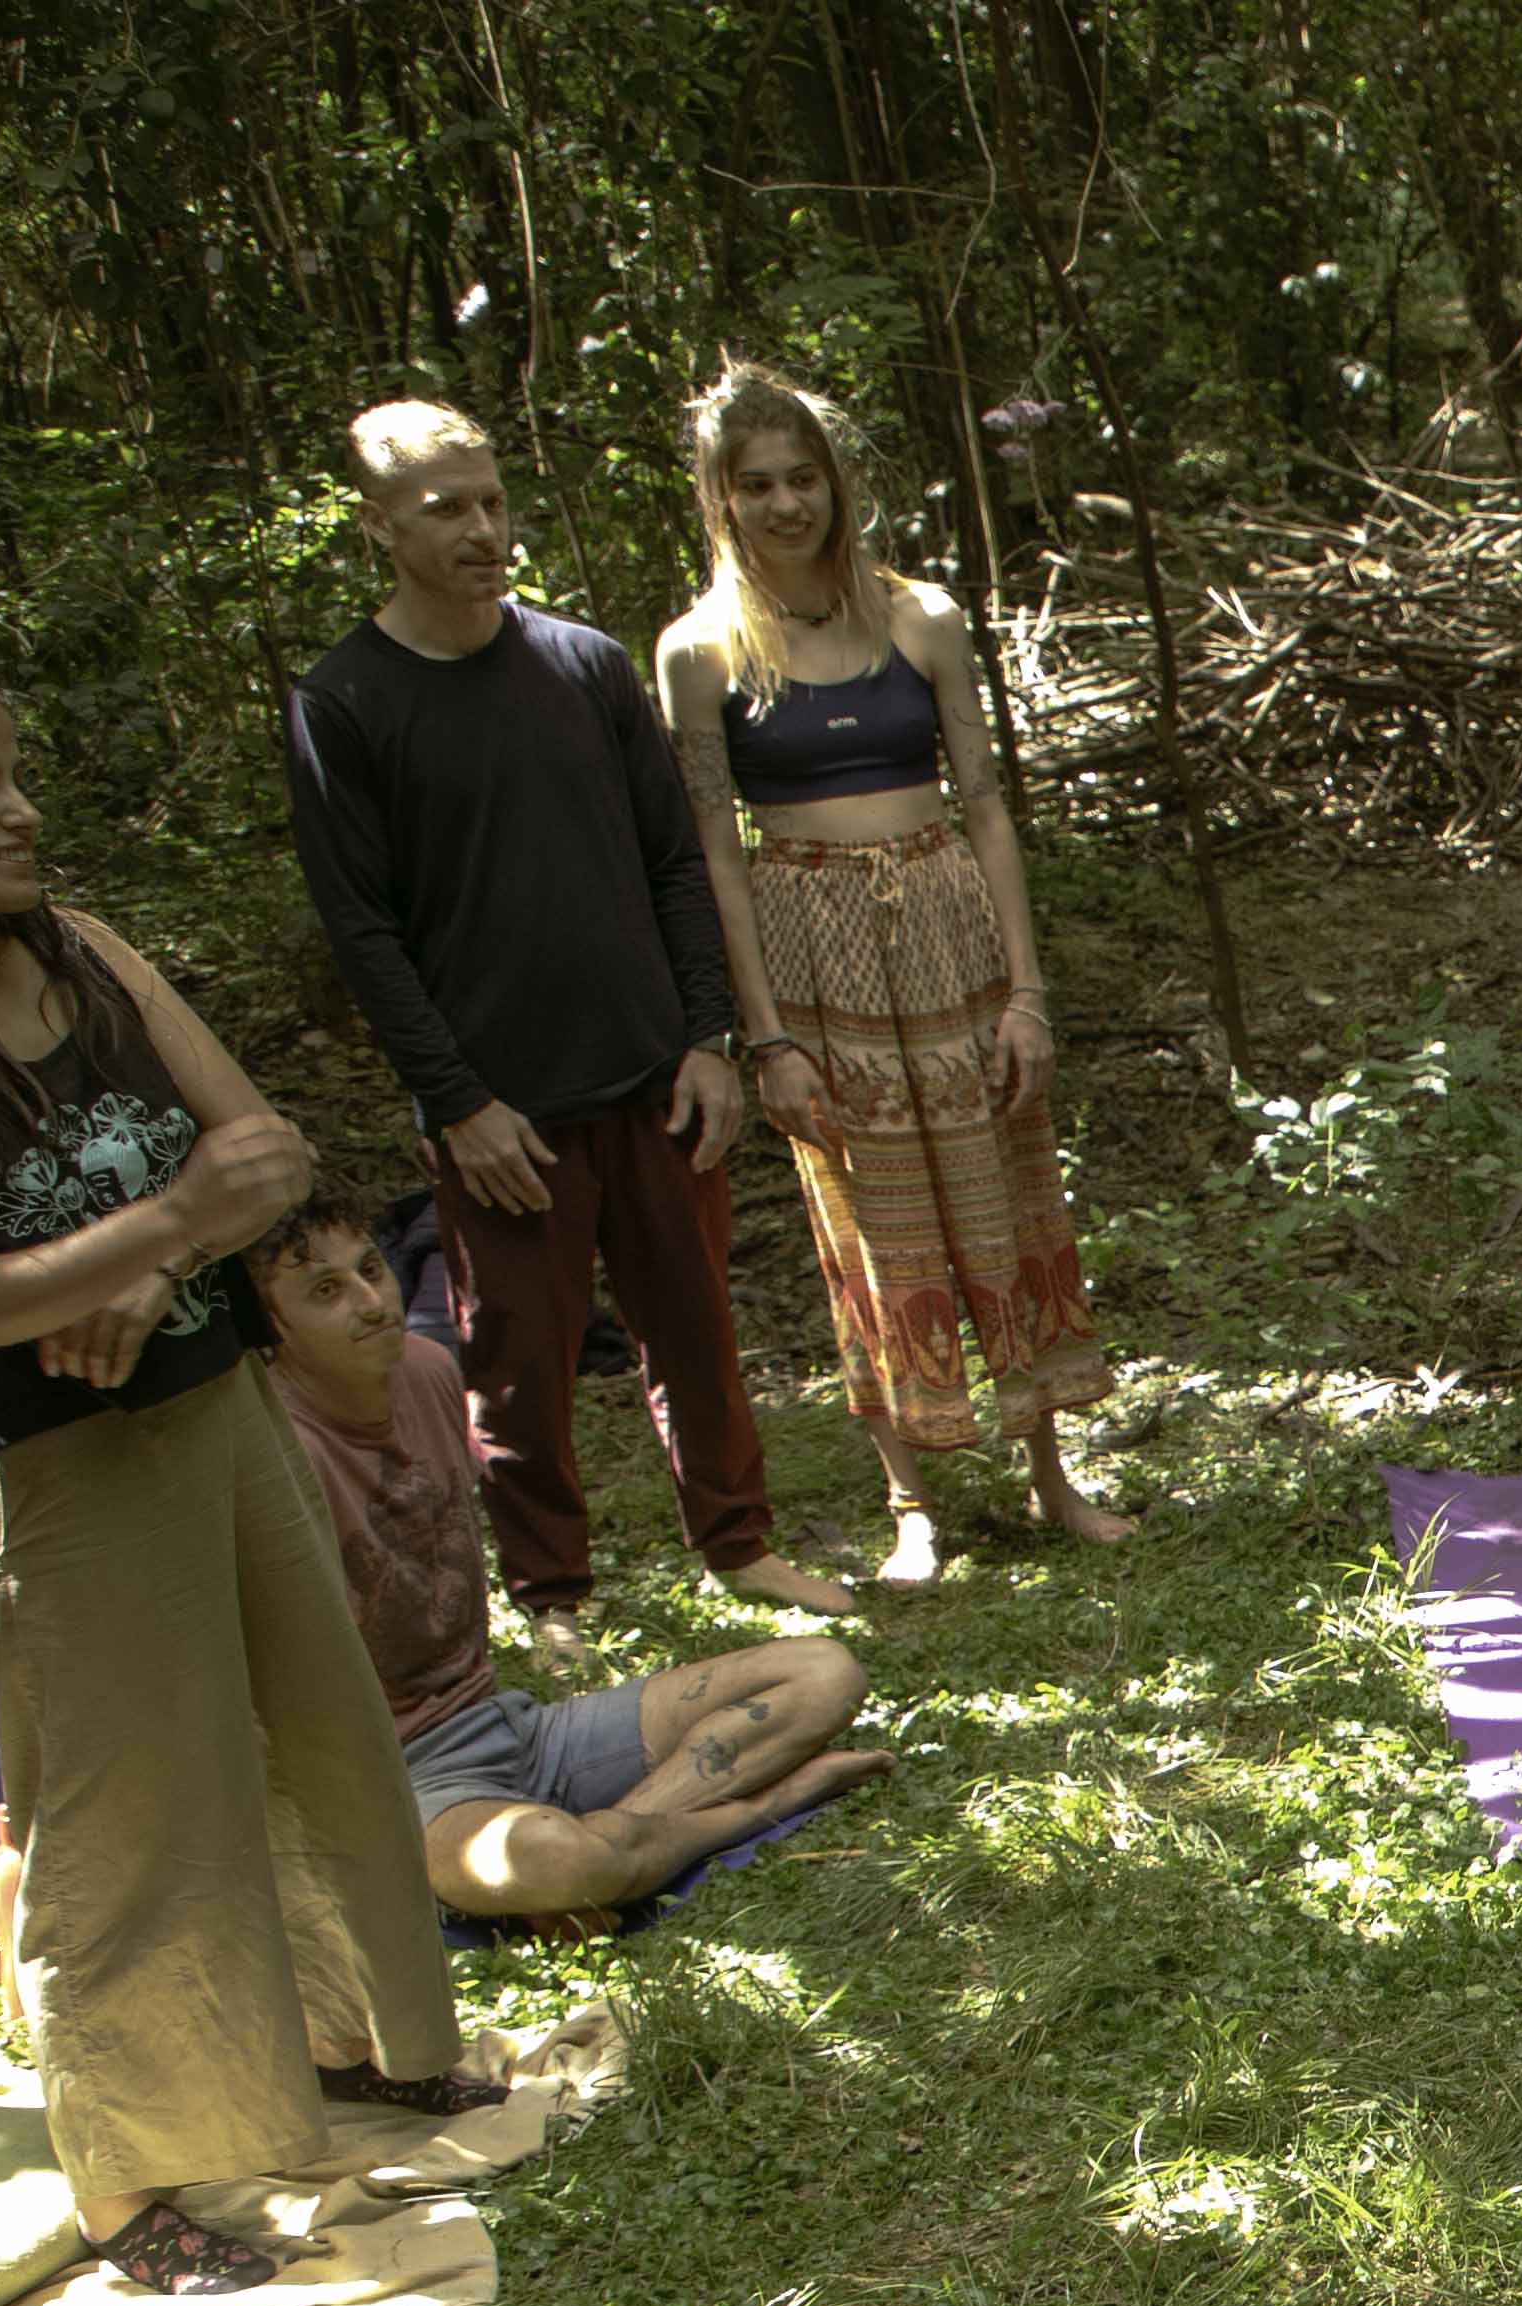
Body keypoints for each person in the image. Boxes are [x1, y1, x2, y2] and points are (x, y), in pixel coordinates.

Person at [0, 649, 488, 2301]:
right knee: (131, 1822)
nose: (15, 812)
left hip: (211, 1406)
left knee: (321, 1739)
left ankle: (354, 2041)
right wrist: (160, 1233)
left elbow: (271, 1151)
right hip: (49, 1470)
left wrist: (127, 1268)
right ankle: (135, 2185)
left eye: (12, 773)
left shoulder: (85, 954)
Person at [288, 398, 847, 1646]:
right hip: (503, 1110)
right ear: (381, 525)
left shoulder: (583, 664)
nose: (483, 530)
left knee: (696, 1329)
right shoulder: (344, 703)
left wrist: (707, 1038)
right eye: (447, 510)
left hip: (651, 1073)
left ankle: (739, 1542)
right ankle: (551, 1589)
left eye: (491, 501)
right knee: (517, 1365)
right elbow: (363, 933)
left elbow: (672, 862)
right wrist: (457, 1101)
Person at [653, 366, 1130, 1591]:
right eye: (755, 484)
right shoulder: (700, 652)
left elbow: (985, 802)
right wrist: (769, 1040)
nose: (783, 502)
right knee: (872, 1227)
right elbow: (716, 853)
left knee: (1005, 1197)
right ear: (721, 497)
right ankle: (910, 1497)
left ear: (836, 482)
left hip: (949, 930)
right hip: (812, 953)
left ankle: (1049, 1472)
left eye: (802, 476)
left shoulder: (920, 615)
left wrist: (1027, 991)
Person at [249, 1189, 888, 1921]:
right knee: (556, 1863)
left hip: (511, 1731)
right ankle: (761, 1806)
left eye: (371, 1270)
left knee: (822, 1671)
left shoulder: (424, 1369)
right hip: (400, 1783)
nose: (370, 1302)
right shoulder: (273, 1457)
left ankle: (615, 1852)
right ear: (272, 1333)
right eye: (327, 1292)